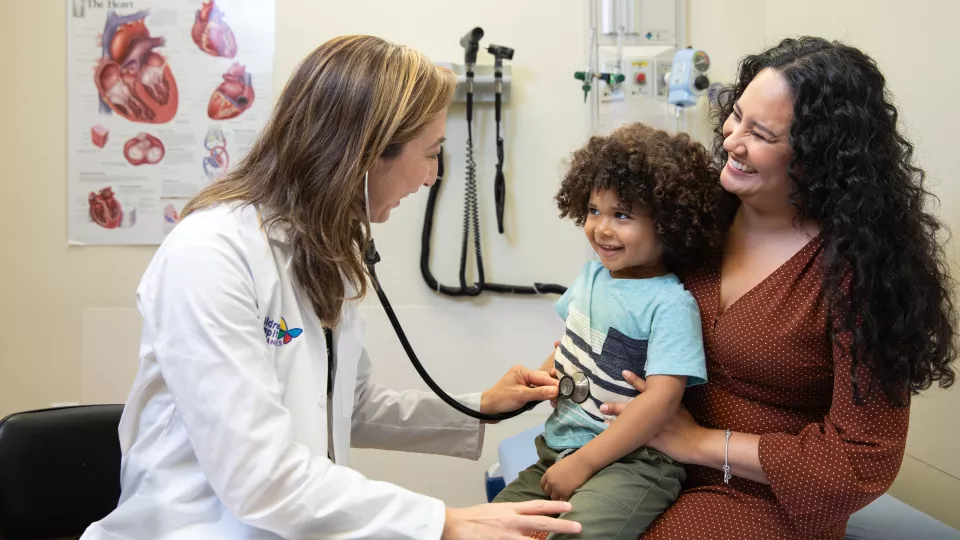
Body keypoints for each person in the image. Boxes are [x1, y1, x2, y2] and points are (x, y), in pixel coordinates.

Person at [79, 35, 583, 540]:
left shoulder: (321, 249)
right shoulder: (210, 256)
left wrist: (480, 406)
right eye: (431, 154)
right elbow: (258, 479)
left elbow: (349, 403)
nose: (431, 177)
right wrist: (442, 522)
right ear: (367, 152)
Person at [597, 36, 958, 539]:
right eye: (736, 115)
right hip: (646, 456)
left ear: (817, 157)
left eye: (760, 134)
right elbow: (632, 305)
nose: (730, 140)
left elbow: (862, 460)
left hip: (763, 495)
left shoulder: (860, 272)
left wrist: (698, 442)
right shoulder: (697, 215)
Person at [492, 123, 726, 539]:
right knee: (488, 526)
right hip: (560, 447)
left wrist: (584, 463)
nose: (601, 227)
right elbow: (570, 344)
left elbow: (662, 400)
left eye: (622, 215)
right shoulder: (592, 278)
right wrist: (545, 380)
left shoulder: (669, 304)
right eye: (594, 211)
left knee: (575, 535)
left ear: (670, 225)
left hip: (635, 463)